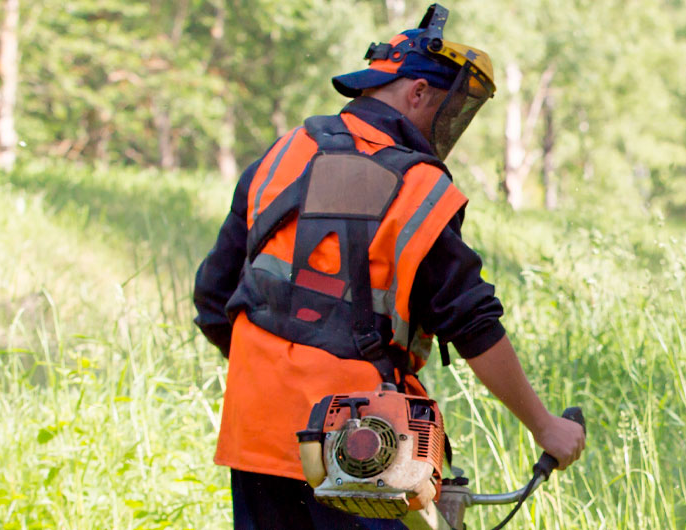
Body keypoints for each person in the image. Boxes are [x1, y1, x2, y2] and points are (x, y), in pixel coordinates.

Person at [189, 11, 585, 530]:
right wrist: (545, 427)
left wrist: (273, 379)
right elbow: (471, 321)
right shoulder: (418, 186)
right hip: (363, 450)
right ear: (416, 93)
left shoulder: (284, 153)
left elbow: (213, 298)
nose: (449, 125)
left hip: (256, 434)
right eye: (448, 110)